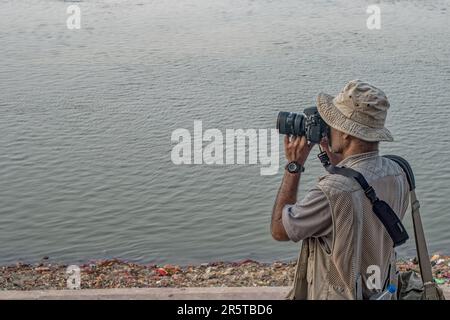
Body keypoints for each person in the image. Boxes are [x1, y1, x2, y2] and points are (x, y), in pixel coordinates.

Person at [271, 80, 409, 299]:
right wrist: (338, 162)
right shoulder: (399, 172)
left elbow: (280, 229)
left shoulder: (333, 191)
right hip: (381, 290)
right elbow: (356, 212)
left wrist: (294, 167)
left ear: (346, 134)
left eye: (332, 122)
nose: (328, 127)